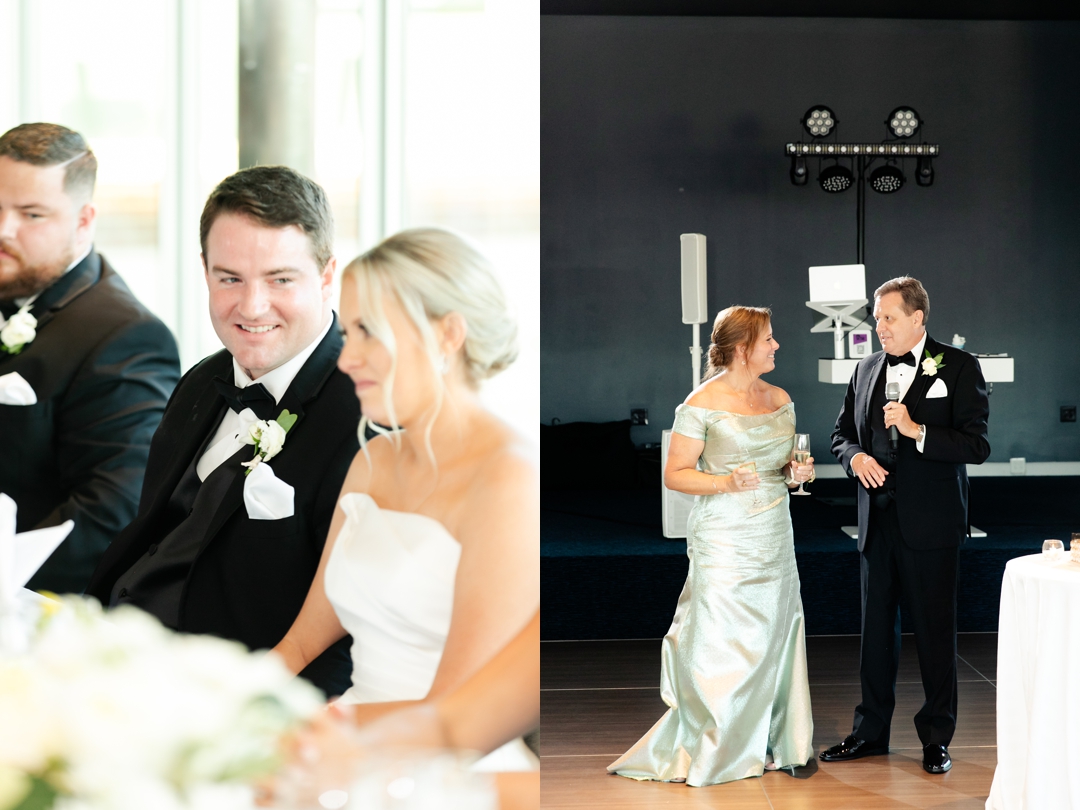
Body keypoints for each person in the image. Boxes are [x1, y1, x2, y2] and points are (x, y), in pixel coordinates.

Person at [269, 227, 539, 769]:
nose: (347, 359)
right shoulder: (373, 460)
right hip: (346, 737)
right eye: (347, 333)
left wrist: (296, 734)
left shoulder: (508, 478)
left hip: (449, 765)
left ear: (447, 334)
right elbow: (299, 643)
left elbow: (452, 712)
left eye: (369, 331)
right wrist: (222, 702)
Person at [85, 165, 359, 697]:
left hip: (235, 701)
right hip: (119, 663)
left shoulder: (366, 410)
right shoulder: (202, 380)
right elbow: (153, 536)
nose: (251, 307)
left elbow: (358, 624)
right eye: (229, 278)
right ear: (205, 271)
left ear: (326, 276)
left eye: (280, 279)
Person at [608, 306, 815, 786]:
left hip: (774, 532)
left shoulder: (779, 397)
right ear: (743, 349)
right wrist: (724, 483)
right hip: (724, 534)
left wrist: (795, 473)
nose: (776, 346)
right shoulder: (700, 403)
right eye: (769, 339)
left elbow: (784, 464)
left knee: (775, 633)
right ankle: (724, 741)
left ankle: (771, 738)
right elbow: (675, 474)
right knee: (725, 636)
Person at [0, 123, 180, 594]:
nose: (4, 229)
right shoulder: (9, 286)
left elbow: (111, 514)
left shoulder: (126, 336)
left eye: (32, 214)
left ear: (84, 220)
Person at [822, 276, 990, 775]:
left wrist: (918, 431)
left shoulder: (959, 367)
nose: (879, 327)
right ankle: (869, 732)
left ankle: (937, 738)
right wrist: (854, 460)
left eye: (888, 317)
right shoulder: (867, 367)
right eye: (876, 318)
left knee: (936, 635)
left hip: (933, 525)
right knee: (875, 635)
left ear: (918, 318)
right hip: (876, 524)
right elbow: (841, 434)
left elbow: (977, 446)